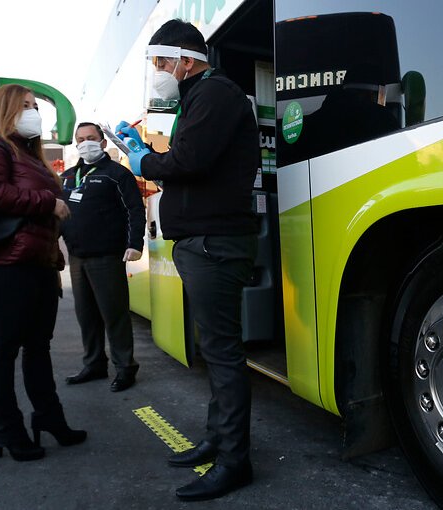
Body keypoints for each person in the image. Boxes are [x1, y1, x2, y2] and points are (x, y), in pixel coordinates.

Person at [117, 19, 259, 501]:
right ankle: (218, 439)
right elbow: (190, 163)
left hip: (215, 242)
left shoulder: (214, 93)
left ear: (184, 57)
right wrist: (150, 157)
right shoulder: (203, 96)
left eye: (160, 62)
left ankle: (235, 461)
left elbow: (189, 161)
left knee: (221, 353)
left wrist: (143, 161)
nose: (159, 71)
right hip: (206, 242)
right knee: (215, 348)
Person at [0, 84, 86, 462]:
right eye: (25, 106)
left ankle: (49, 418)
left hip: (40, 263)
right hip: (5, 266)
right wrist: (47, 201)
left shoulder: (30, 156)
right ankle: (8, 429)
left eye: (36, 106)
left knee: (38, 348)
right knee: (3, 351)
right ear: (5, 111)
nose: (34, 113)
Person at [60, 122, 145, 392]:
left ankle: (125, 367)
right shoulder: (68, 176)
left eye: (91, 138)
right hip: (77, 256)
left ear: (102, 142)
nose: (86, 143)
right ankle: (94, 363)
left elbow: (135, 210)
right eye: (81, 139)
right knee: (86, 316)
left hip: (107, 256)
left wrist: (134, 243)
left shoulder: (117, 174)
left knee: (114, 315)